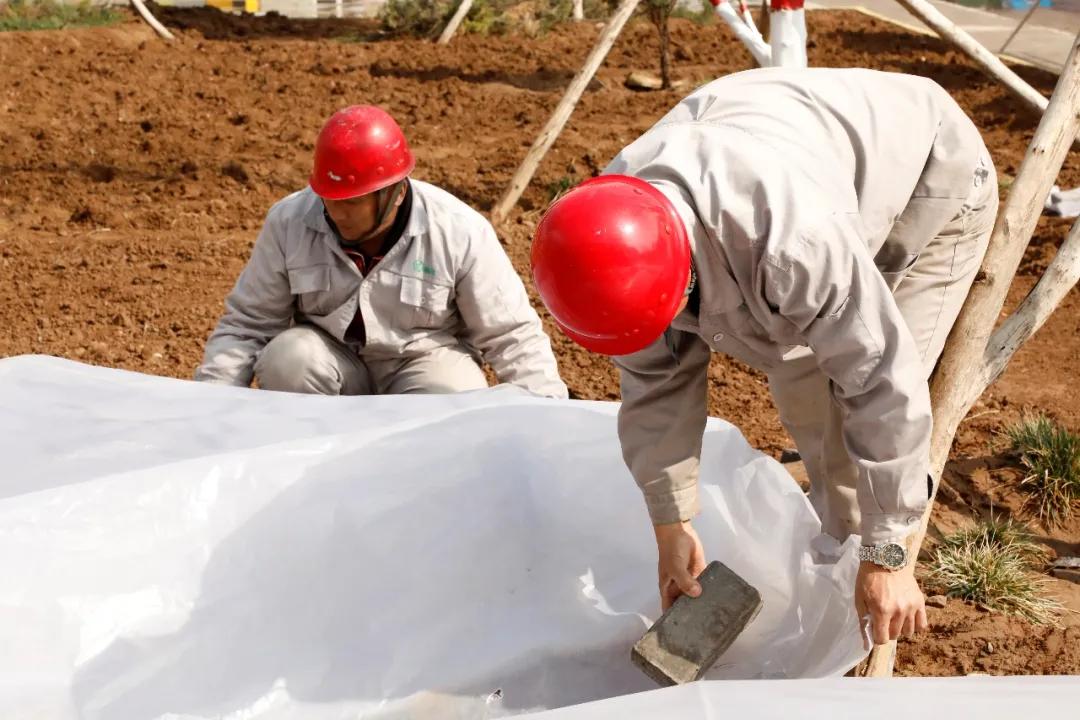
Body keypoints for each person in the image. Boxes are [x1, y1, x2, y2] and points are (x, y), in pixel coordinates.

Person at [530, 68, 996, 646]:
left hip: (926, 177)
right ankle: (836, 562)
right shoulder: (610, 240)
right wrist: (671, 525)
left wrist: (888, 553)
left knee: (858, 399)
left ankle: (872, 589)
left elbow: (881, 378)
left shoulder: (791, 245)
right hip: (799, 161)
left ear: (680, 272)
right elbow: (655, 383)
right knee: (806, 389)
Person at [196, 105, 567, 400]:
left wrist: (547, 419)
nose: (337, 211)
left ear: (396, 193)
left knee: (459, 392)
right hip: (334, 364)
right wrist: (210, 409)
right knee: (288, 358)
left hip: (422, 364)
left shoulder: (458, 231)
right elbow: (247, 326)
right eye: (330, 197)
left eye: (353, 202)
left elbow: (511, 334)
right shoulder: (289, 222)